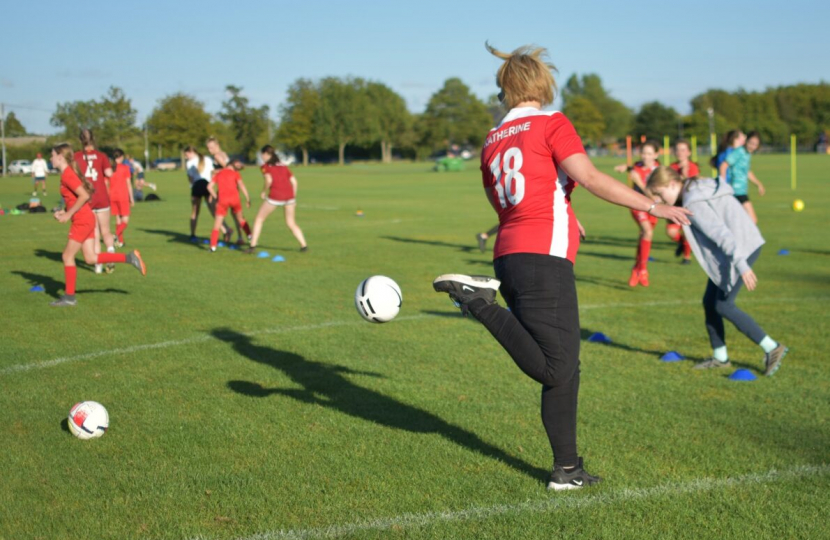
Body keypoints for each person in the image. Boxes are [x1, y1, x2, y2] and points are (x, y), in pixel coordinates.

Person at [432, 44, 690, 491]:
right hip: (542, 257)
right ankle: (479, 302)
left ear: (506, 89)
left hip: (512, 253)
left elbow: (511, 201)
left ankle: (566, 470)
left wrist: (566, 215)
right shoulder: (552, 123)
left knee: (567, 368)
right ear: (541, 84)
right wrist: (652, 205)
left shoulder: (492, 139)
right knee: (555, 367)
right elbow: (589, 177)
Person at [646, 166, 787, 374]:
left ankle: (772, 347)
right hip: (743, 245)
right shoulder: (696, 186)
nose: (660, 200)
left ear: (673, 184)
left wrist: (742, 265)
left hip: (740, 250)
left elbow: (722, 234)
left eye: (659, 193)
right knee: (710, 303)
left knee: (724, 305)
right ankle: (721, 356)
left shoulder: (693, 201)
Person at [49, 143, 146, 307]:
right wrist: (63, 210)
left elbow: (84, 195)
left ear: (60, 156)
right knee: (90, 258)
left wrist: (68, 214)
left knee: (67, 256)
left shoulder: (67, 174)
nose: (50, 158)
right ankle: (129, 258)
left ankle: (69, 297)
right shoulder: (67, 173)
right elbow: (74, 198)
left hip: (82, 220)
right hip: (85, 218)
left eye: (52, 155)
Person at [613, 140, 661, 286]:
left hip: (653, 206)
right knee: (647, 232)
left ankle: (636, 268)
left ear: (656, 155)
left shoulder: (659, 171)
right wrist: (626, 167)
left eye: (649, 154)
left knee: (644, 237)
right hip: (637, 205)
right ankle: (644, 270)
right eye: (643, 153)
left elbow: (654, 196)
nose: (645, 157)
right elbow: (634, 168)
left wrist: (639, 182)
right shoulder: (637, 166)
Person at [246, 145, 308, 253]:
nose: (262, 157)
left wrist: (263, 191)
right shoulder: (283, 166)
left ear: (266, 154)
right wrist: (293, 197)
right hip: (290, 197)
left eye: (262, 155)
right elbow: (294, 182)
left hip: (275, 196)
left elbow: (269, 180)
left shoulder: (265, 166)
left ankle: (252, 246)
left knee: (259, 219)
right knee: (291, 223)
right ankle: (304, 246)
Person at [74, 129, 116, 274]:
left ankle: (98, 265)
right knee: (106, 231)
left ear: (80, 140)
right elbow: (109, 174)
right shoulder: (101, 156)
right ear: (94, 139)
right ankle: (111, 253)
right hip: (102, 196)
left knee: (94, 233)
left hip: (87, 198)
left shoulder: (76, 156)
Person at [206, 159, 252, 252]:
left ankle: (213, 246)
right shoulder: (235, 174)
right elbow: (242, 185)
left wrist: (215, 197)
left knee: (217, 224)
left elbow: (209, 187)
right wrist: (247, 198)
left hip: (222, 201)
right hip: (235, 200)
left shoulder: (218, 174)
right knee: (241, 219)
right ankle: (250, 236)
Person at [184, 145, 227, 241]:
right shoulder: (207, 159)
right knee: (214, 211)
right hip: (207, 185)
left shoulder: (190, 163)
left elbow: (190, 178)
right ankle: (225, 230)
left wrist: (192, 186)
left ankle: (193, 235)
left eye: (187, 154)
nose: (186, 157)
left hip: (197, 186)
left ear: (191, 152)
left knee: (195, 212)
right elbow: (213, 171)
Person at [667, 139, 699, 264]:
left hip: (688, 204)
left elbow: (692, 186)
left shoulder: (693, 167)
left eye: (683, 150)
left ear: (689, 152)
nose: (680, 152)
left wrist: (685, 175)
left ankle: (687, 257)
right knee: (671, 232)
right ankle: (682, 243)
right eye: (677, 150)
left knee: (687, 231)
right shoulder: (671, 167)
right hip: (674, 203)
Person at [206, 136, 244, 243]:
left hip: (225, 187)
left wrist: (214, 172)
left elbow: (227, 170)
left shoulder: (217, 156)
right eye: (208, 148)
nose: (210, 150)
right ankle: (239, 236)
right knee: (235, 212)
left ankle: (226, 229)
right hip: (232, 185)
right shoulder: (224, 153)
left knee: (213, 206)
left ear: (217, 146)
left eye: (211, 148)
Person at [724, 131, 765, 223]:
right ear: (746, 141)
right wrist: (723, 182)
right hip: (736, 191)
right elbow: (724, 164)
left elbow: (747, 172)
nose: (752, 146)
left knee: (740, 220)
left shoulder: (747, 154)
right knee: (752, 219)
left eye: (755, 144)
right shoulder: (739, 152)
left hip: (741, 190)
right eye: (751, 143)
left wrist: (758, 184)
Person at [109, 149, 134, 247]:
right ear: (120, 157)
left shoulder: (110, 169)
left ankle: (120, 241)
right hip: (122, 195)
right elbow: (128, 184)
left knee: (118, 219)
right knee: (125, 220)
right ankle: (116, 236)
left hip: (112, 196)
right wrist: (131, 198)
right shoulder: (125, 168)